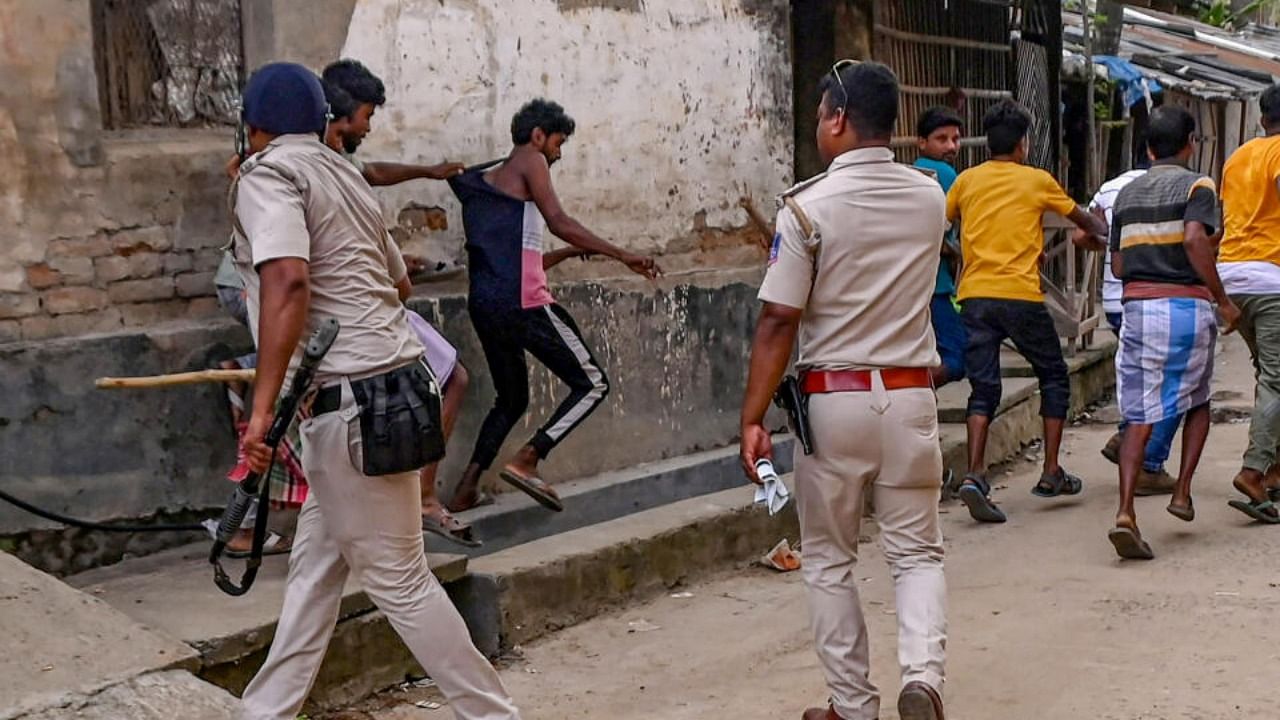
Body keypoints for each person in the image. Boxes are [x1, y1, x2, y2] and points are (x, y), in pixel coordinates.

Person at [229, 62, 521, 720]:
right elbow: (399, 287)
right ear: (323, 122)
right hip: (394, 389)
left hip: (353, 405)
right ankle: (262, 712)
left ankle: (494, 715)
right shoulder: (344, 175)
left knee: (402, 580)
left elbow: (288, 282)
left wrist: (263, 409)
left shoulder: (268, 172)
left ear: (253, 126)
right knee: (312, 575)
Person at [741, 61, 947, 720]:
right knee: (916, 552)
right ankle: (924, 679)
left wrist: (751, 418)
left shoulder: (805, 208)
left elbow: (779, 318)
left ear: (836, 119)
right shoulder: (930, 196)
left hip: (834, 402)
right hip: (913, 396)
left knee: (830, 559)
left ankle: (853, 707)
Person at [444, 99, 660, 513]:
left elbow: (525, 257)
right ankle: (529, 458)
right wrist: (623, 255)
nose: (558, 155)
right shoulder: (530, 159)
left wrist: (565, 254)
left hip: (486, 303)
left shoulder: (483, 184)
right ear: (538, 136)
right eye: (557, 144)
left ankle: (465, 489)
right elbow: (559, 220)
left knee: (511, 399)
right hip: (524, 302)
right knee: (592, 382)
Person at [319, 77, 479, 546]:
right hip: (365, 310)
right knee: (448, 380)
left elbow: (375, 174)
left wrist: (429, 172)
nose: (368, 126)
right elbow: (398, 286)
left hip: (359, 305)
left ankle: (413, 501)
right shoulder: (323, 168)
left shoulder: (328, 165)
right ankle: (421, 500)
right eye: (366, 116)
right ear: (339, 118)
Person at [947, 99, 1108, 523]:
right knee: (1053, 374)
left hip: (975, 296)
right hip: (1020, 295)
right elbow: (1083, 220)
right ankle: (1051, 470)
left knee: (983, 389)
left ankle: (976, 473)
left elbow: (940, 223)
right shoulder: (1037, 181)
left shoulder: (965, 181)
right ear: (1023, 144)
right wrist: (1107, 231)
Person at [1104, 105, 1238, 559]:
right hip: (1184, 304)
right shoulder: (1198, 185)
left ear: (1146, 148)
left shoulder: (1126, 194)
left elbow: (1119, 264)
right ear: (1189, 145)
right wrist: (1221, 299)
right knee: (1197, 400)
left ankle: (1125, 511)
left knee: (1139, 414)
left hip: (1138, 306)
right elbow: (1195, 239)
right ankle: (1181, 492)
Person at [1082, 168, 1182, 496]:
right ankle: (1149, 464)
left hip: (1115, 299)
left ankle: (1127, 438)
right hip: (1158, 295)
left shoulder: (1110, 188)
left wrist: (1114, 243)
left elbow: (1080, 237)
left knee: (1140, 377)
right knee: (1172, 383)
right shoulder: (1180, 186)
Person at [1218, 83, 1280, 522]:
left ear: (1261, 119)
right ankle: (1254, 470)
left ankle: (1275, 470)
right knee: (1278, 379)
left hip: (1232, 274)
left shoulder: (1239, 156)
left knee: (1269, 373)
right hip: (1269, 276)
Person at [914, 107, 967, 390]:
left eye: (955, 139)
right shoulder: (944, 174)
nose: (951, 146)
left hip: (914, 286)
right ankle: (913, 391)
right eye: (942, 139)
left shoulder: (912, 172)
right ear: (922, 142)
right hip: (937, 286)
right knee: (958, 357)